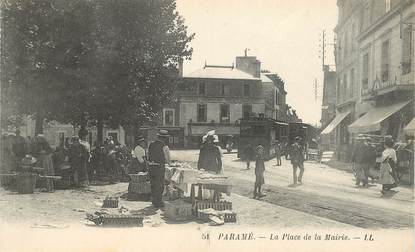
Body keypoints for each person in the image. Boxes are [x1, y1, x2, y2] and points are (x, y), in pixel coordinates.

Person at [148, 130, 170, 208]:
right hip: (159, 167)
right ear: (164, 138)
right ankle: (158, 202)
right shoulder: (164, 146)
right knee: (159, 184)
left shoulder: (151, 144)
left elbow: (149, 155)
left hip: (151, 166)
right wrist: (170, 164)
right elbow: (167, 158)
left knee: (153, 184)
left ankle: (154, 200)